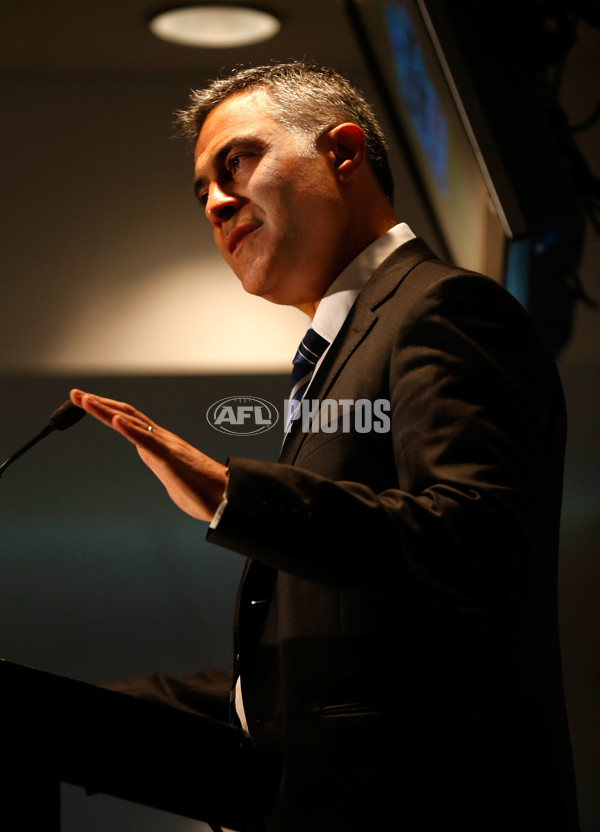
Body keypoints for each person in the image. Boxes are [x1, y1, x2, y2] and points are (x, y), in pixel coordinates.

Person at [70, 63, 579, 831]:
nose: (214, 201)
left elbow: (476, 539)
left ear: (342, 153)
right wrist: (62, 716)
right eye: (202, 187)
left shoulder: (444, 308)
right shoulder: (338, 354)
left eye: (237, 163)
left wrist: (235, 496)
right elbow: (317, 678)